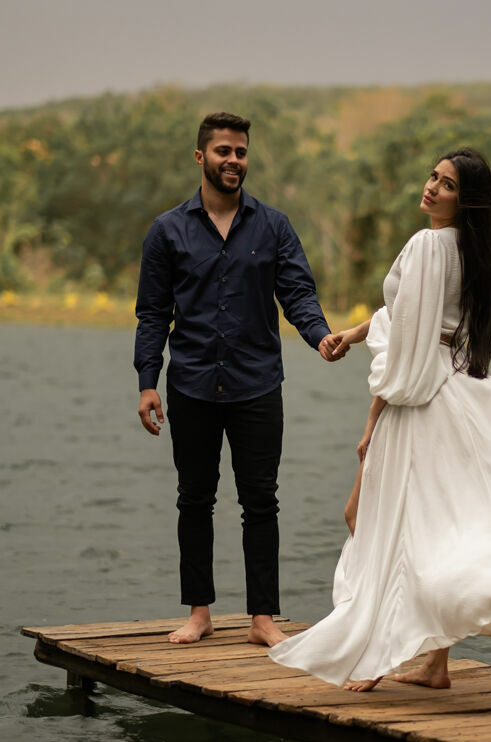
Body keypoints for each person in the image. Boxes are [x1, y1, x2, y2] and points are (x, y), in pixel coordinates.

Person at [268, 148, 491, 690]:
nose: (431, 188)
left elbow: (408, 356)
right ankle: (435, 663)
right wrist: (356, 331)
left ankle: (373, 658)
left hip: (421, 402)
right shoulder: (468, 248)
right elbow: (410, 317)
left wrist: (374, 420)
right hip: (456, 388)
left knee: (392, 527)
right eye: (432, 177)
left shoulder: (426, 244)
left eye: (446, 185)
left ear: (465, 201)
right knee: (435, 525)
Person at [135, 112, 345, 647]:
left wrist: (318, 335)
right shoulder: (168, 230)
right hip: (192, 384)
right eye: (224, 151)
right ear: (201, 157)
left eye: (242, 152)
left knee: (261, 500)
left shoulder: (272, 225)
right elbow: (153, 313)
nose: (234, 161)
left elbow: (297, 292)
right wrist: (147, 382)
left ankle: (262, 619)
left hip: (257, 383)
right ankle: (199, 613)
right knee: (193, 499)